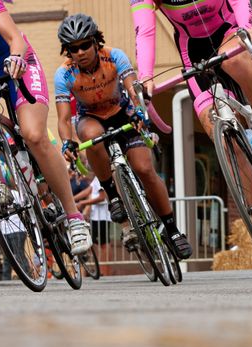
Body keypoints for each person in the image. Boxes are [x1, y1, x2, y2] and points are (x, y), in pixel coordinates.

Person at [129, 0, 252, 281]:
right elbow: (145, 31)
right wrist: (145, 77)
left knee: (234, 59)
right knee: (226, 142)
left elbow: (239, 1)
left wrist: (248, 28)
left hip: (233, 31)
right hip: (194, 52)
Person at [0, 0, 92, 255]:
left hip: (16, 62)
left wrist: (16, 58)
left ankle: (74, 218)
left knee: (34, 135)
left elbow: (15, 38)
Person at [54, 13, 192, 260]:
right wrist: (67, 142)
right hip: (92, 118)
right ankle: (113, 195)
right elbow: (64, 119)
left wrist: (140, 112)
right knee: (90, 134)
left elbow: (132, 87)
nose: (81, 52)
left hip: (122, 113)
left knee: (145, 169)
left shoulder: (114, 56)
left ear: (96, 41)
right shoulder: (64, 75)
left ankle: (172, 231)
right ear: (68, 51)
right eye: (74, 49)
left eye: (85, 45)